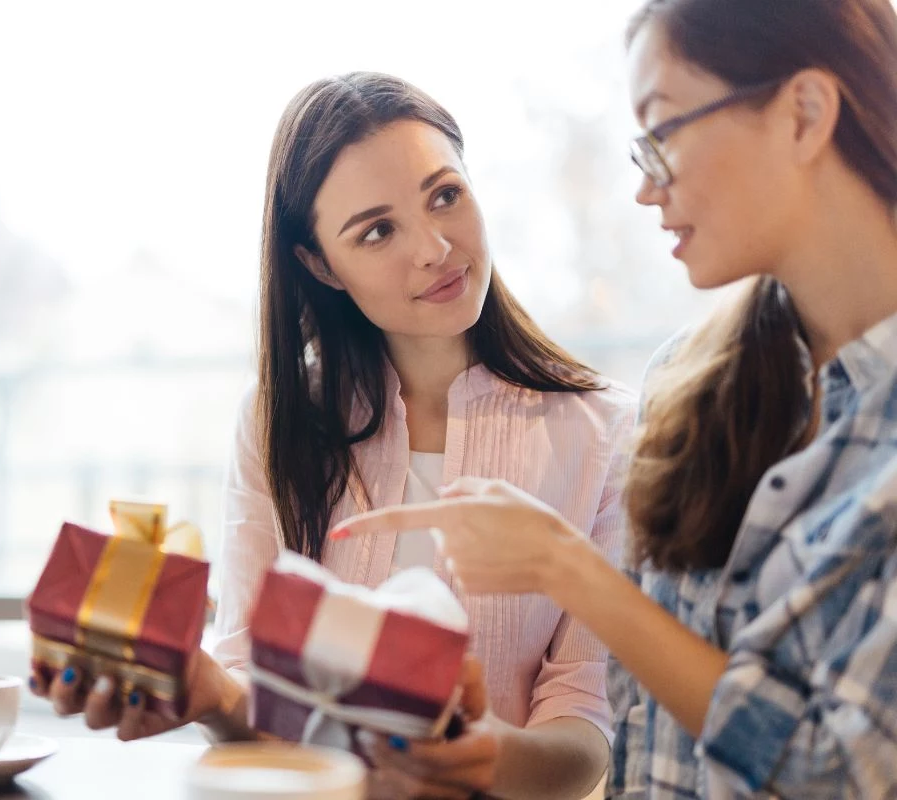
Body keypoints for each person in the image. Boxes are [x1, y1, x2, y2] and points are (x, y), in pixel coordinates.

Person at [333, 2, 897, 797]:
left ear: (803, 113)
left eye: (663, 132)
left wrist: (565, 568)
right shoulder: (687, 384)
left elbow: (841, 772)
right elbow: (644, 737)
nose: (643, 188)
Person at [32, 71, 636, 800]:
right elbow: (253, 687)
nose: (435, 248)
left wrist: (481, 753)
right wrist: (211, 694)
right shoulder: (277, 421)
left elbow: (586, 727)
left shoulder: (604, 432)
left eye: (445, 195)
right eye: (378, 231)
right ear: (319, 264)